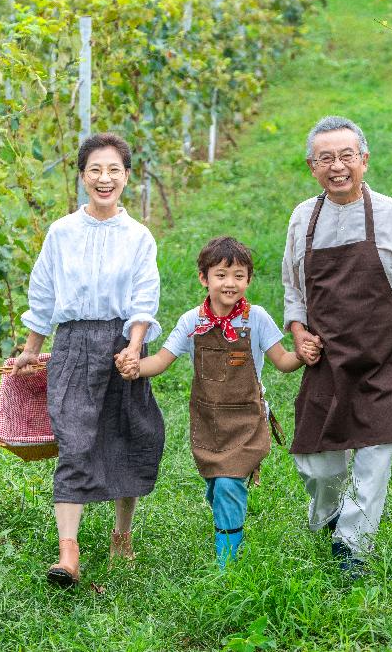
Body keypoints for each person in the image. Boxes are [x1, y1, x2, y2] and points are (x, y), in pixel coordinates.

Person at [282, 115, 392, 576]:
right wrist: (298, 332)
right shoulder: (303, 217)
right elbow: (293, 288)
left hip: (386, 354)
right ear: (311, 167)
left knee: (375, 453)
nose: (337, 167)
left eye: (347, 156)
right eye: (326, 159)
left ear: (364, 160)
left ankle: (353, 547)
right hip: (328, 354)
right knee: (316, 460)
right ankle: (327, 517)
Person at [12, 132, 165, 587]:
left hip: (121, 343)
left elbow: (144, 297)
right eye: (95, 170)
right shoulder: (61, 233)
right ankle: (68, 556)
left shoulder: (138, 236)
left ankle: (122, 536)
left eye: (113, 170)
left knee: (129, 434)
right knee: (74, 440)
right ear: (81, 177)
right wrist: (31, 349)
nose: (104, 178)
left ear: (126, 177)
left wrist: (135, 347)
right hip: (74, 344)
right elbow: (42, 294)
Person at [116, 236, 319, 567]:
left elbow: (282, 361)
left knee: (227, 485)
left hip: (247, 422)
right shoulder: (191, 321)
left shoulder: (256, 318)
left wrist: (303, 355)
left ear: (249, 280)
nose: (230, 283)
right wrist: (136, 366)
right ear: (204, 278)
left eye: (239, 275)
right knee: (218, 488)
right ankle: (229, 521)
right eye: (221, 275)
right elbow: (162, 361)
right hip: (209, 422)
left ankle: (228, 568)